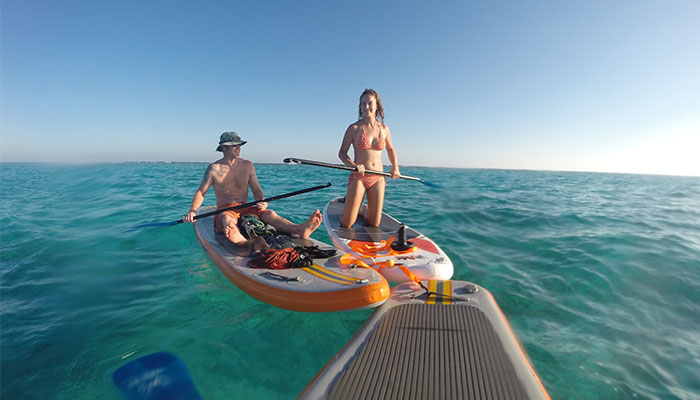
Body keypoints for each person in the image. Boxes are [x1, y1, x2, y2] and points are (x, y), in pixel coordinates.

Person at [183, 131, 322, 253]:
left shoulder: (247, 165)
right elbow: (201, 192)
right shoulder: (214, 169)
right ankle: (244, 243)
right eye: (234, 145)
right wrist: (192, 211)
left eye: (239, 145)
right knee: (227, 220)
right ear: (224, 148)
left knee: (269, 214)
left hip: (247, 207)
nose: (238, 148)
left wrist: (262, 201)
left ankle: (299, 229)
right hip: (226, 209)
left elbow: (256, 189)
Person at [338, 89, 400, 227]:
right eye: (363, 104)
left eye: (370, 103)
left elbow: (390, 149)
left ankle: (364, 210)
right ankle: (349, 210)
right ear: (360, 107)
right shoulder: (353, 128)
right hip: (359, 176)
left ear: (377, 105)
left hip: (378, 177)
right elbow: (342, 153)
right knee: (347, 223)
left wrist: (395, 167)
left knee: (374, 224)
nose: (366, 107)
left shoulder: (384, 129)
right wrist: (352, 164)